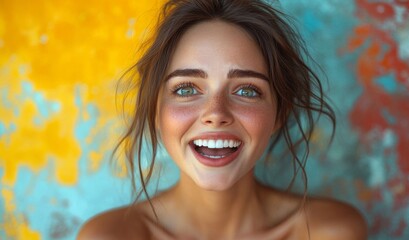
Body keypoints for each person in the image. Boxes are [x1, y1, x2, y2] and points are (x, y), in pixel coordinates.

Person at [78, 0, 367, 239]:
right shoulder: (107, 235)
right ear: (155, 109)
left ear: (280, 112)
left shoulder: (329, 232)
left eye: (247, 90)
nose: (216, 114)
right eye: (186, 88)